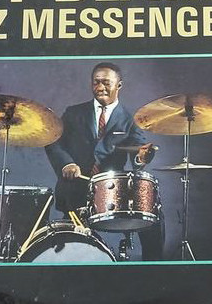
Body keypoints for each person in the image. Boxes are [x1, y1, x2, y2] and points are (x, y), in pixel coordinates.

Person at [45, 62, 164, 260]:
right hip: (75, 191)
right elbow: (53, 141)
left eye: (106, 83)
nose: (100, 87)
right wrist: (66, 163)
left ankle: (153, 268)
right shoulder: (73, 113)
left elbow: (139, 149)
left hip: (111, 194)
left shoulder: (129, 120)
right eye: (96, 82)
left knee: (153, 215)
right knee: (70, 248)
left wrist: (141, 157)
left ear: (119, 85)